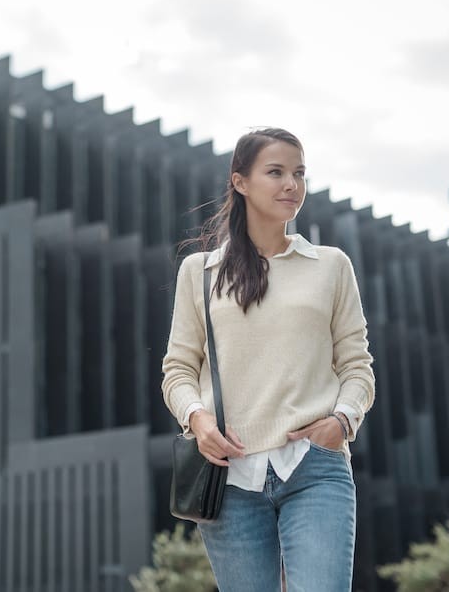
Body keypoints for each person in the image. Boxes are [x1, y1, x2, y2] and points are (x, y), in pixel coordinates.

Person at [160, 127, 376, 591]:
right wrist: (198, 422)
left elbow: (357, 367)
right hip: (229, 479)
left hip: (315, 467)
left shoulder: (330, 266)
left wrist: (341, 421)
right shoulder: (199, 273)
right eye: (275, 172)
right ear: (240, 181)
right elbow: (177, 370)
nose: (291, 185)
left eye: (299, 173)